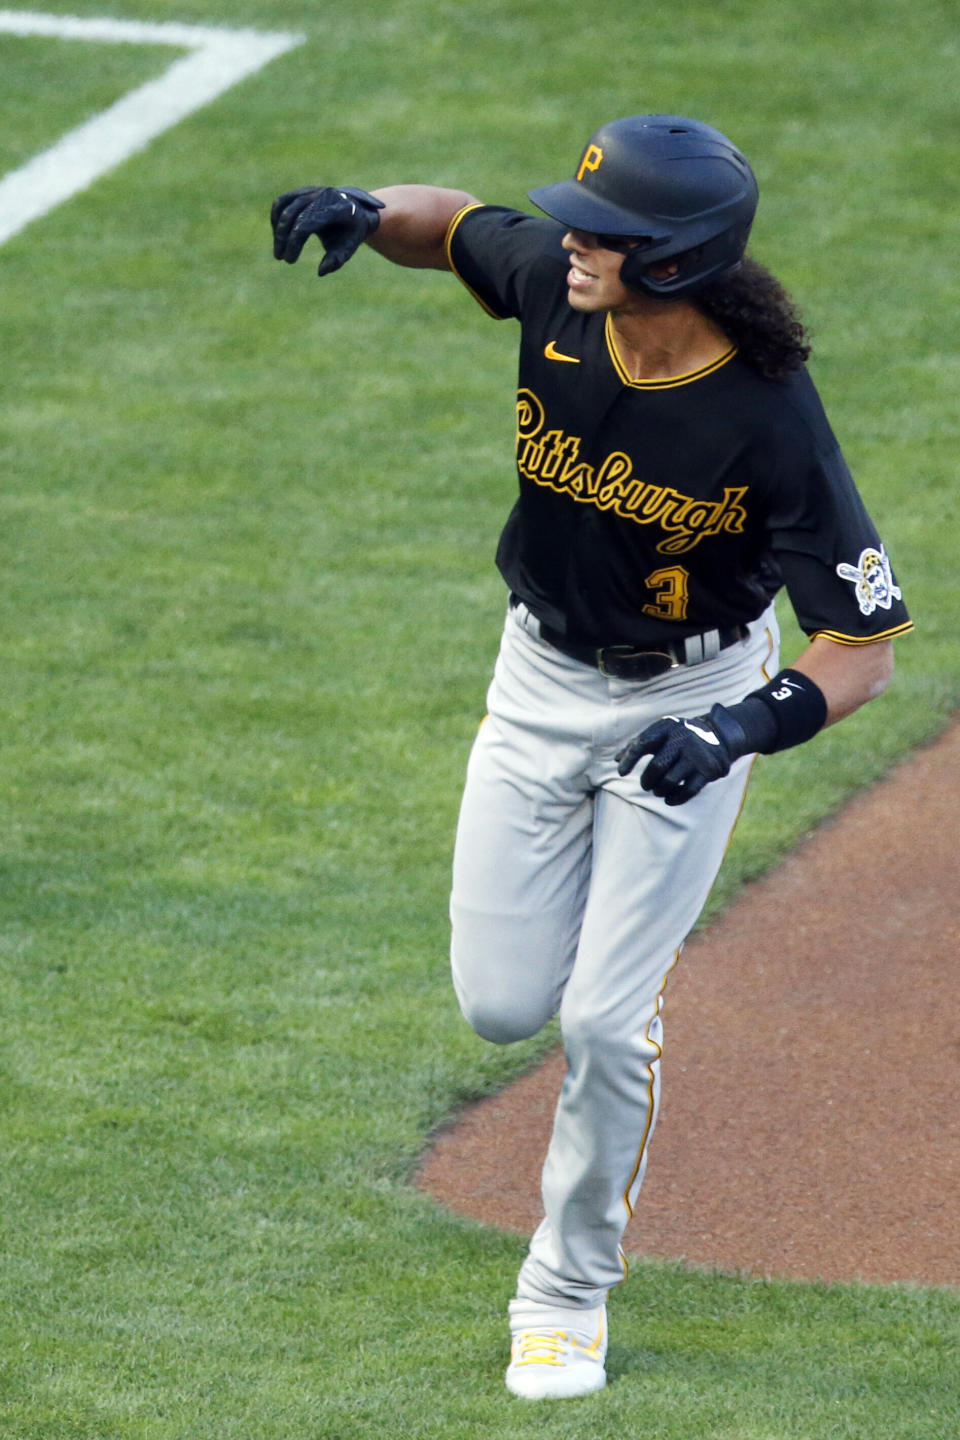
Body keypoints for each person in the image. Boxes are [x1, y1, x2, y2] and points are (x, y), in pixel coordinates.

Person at [271, 114, 913, 1401]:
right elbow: (451, 223)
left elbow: (862, 644)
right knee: (504, 1005)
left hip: (696, 701)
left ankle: (563, 1297)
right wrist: (359, 201)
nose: (575, 242)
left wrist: (734, 730)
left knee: (605, 1022)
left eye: (607, 234)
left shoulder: (768, 417)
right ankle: (607, 988)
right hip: (539, 684)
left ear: (671, 262)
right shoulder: (561, 294)